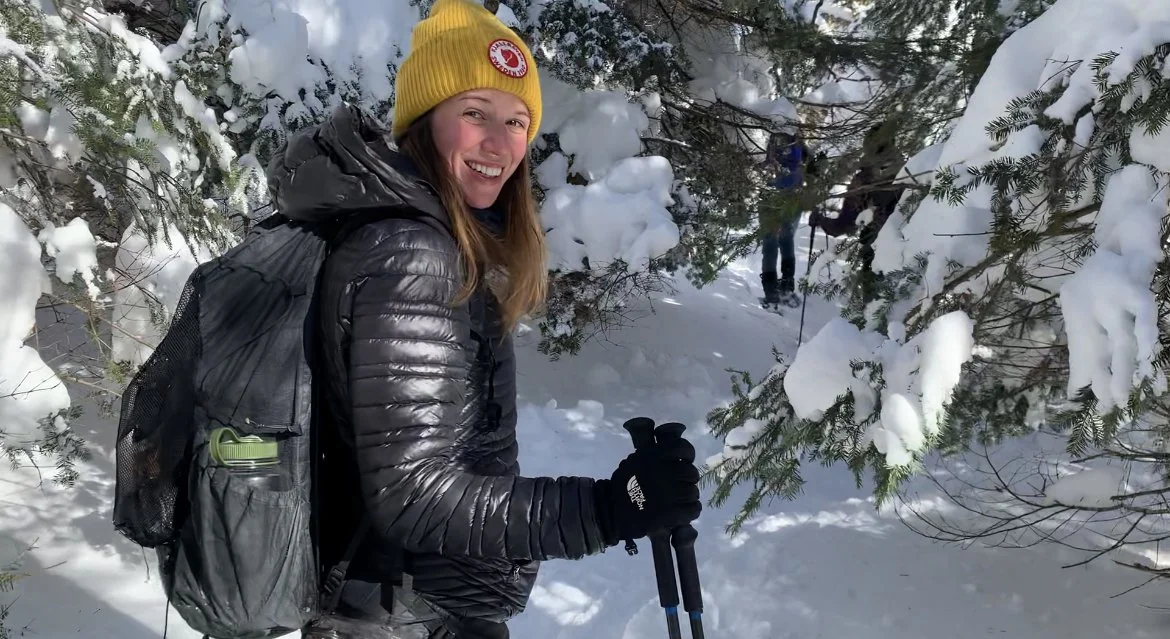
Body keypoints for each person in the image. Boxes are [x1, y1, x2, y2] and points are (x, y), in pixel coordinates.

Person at [265, 1, 703, 637]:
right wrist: (609, 509)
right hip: (399, 613)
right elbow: (413, 493)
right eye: (475, 113)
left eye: (517, 120)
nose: (500, 144)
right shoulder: (413, 253)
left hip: (424, 601)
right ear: (424, 120)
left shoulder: (435, 237)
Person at [809, 125, 905, 300]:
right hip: (909, 257)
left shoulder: (863, 179)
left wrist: (819, 220)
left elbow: (842, 226)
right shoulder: (909, 170)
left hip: (876, 258)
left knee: (874, 312)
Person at [758, 130, 811, 307]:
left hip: (770, 200)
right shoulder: (798, 146)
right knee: (787, 242)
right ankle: (787, 289)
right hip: (792, 200)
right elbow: (806, 168)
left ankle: (771, 292)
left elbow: (768, 167)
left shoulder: (775, 141)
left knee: (770, 245)